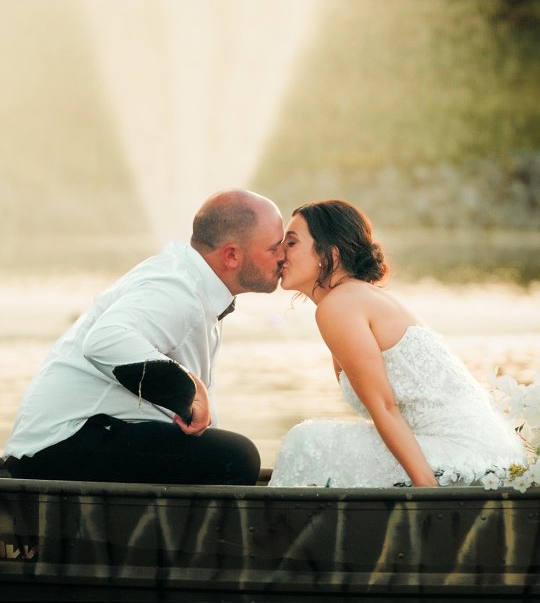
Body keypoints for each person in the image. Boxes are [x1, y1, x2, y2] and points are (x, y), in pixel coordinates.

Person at [3, 189, 285, 485]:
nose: (283, 257)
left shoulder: (196, 284)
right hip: (61, 444)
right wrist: (188, 389)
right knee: (238, 458)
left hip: (80, 437)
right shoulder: (176, 290)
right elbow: (105, 340)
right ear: (231, 255)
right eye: (274, 248)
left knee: (222, 452)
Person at [269, 199, 525, 488]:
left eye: (291, 243)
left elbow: (385, 407)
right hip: (496, 454)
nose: (280, 253)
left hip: (462, 456)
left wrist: (428, 493)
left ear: (331, 253)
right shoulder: (355, 298)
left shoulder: (340, 305)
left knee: (305, 439)